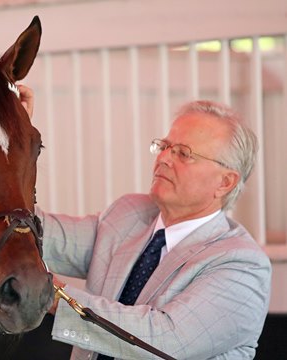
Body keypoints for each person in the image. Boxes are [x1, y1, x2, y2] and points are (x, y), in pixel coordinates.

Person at [19, 85, 272, 360]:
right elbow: (33, 232)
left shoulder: (242, 264)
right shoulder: (129, 214)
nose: (163, 158)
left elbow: (165, 339)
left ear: (225, 182)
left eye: (183, 153)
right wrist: (10, 140)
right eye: (164, 146)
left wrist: (55, 297)